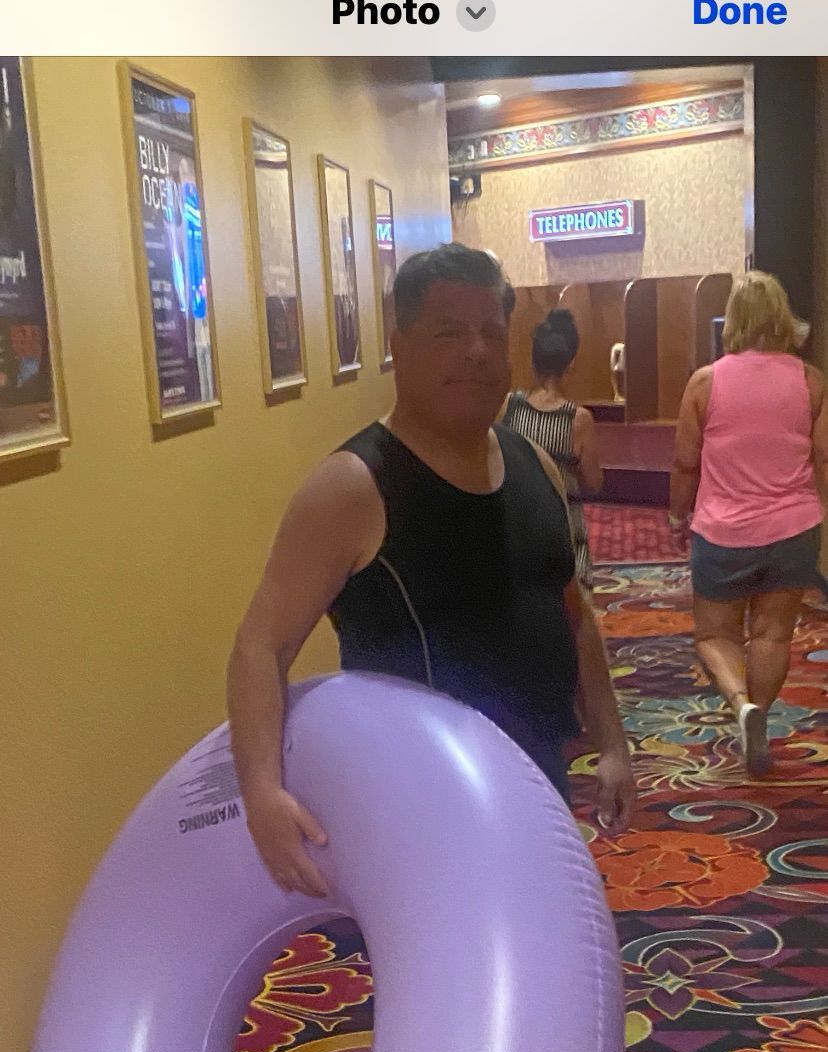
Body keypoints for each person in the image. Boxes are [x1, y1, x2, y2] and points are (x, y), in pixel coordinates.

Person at [227, 242, 634, 897]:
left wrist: (611, 744)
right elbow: (260, 644)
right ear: (400, 347)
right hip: (417, 812)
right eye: (448, 333)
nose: (475, 352)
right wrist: (261, 792)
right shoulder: (354, 487)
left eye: (491, 334)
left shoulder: (535, 466)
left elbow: (575, 616)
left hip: (538, 782)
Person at [670, 270, 828, 773]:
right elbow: (823, 457)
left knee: (713, 635)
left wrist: (676, 514)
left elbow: (685, 463)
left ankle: (742, 706)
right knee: (772, 635)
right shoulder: (811, 381)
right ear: (783, 317)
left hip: (723, 530)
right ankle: (757, 716)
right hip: (794, 528)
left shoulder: (705, 382)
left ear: (732, 319)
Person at [502, 309, 603, 591]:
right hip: (563, 526)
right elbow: (593, 483)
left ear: (532, 362)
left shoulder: (510, 406)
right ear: (571, 364)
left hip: (519, 523)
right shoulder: (577, 419)